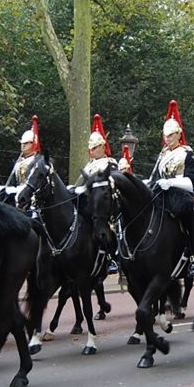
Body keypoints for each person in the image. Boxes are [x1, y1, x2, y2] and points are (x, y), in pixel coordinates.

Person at [147, 100, 194, 278]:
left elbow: (192, 181)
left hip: (180, 194)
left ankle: (193, 257)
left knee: (186, 213)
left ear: (178, 134)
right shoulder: (163, 155)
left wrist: (171, 183)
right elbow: (154, 176)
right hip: (161, 194)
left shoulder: (187, 153)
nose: (167, 139)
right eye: (165, 136)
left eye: (170, 135)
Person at [75, 115, 120, 274]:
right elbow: (80, 185)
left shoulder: (111, 163)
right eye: (90, 148)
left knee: (108, 229)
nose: (91, 151)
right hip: (89, 205)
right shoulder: (88, 166)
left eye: (94, 148)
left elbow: (112, 184)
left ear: (102, 146)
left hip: (105, 206)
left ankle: (111, 258)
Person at [1, 116, 41, 202]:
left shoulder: (37, 161)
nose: (23, 145)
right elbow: (13, 181)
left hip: (31, 197)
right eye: (22, 143)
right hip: (16, 194)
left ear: (33, 144)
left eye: (26, 143)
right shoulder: (19, 161)